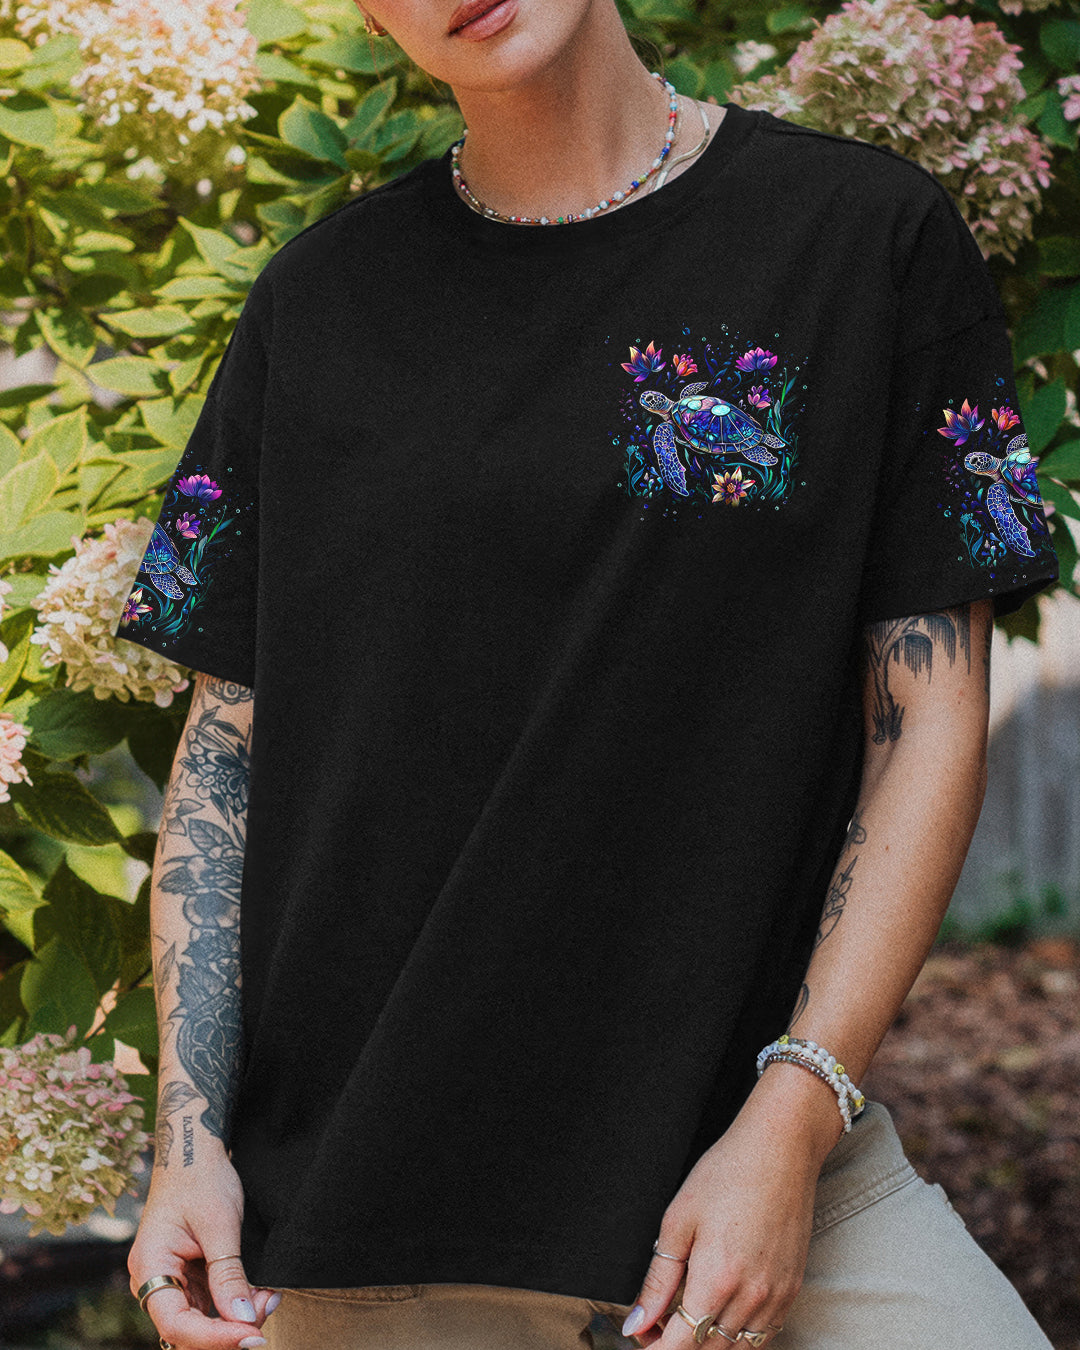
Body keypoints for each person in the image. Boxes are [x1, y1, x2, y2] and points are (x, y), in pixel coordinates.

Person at [116, 1, 1061, 1347]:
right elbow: (226, 750)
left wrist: (794, 1118)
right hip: (363, 1222)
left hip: (755, 1168)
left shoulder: (864, 238)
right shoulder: (315, 302)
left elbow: (927, 720)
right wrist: (189, 1142)